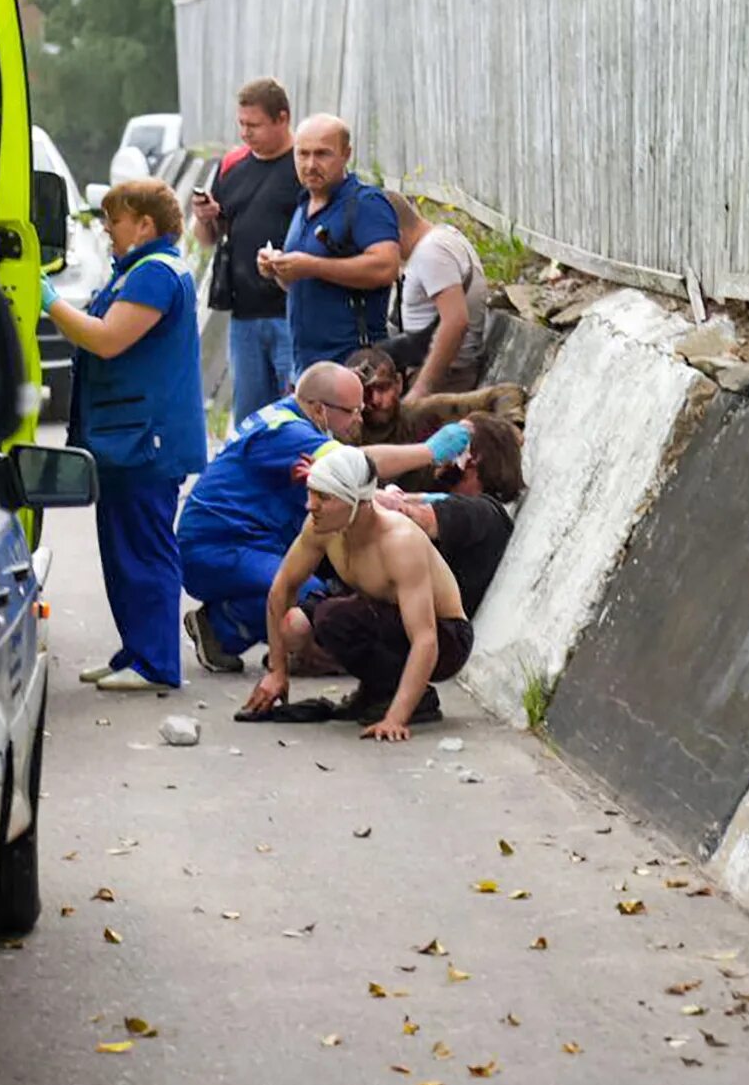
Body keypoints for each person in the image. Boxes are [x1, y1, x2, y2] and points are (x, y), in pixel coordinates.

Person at [178, 362, 472, 674]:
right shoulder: (287, 433)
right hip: (219, 547)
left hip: (246, 540)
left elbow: (355, 490)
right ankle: (224, 629)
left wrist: (421, 500)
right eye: (352, 411)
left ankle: (232, 627)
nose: (359, 418)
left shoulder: (288, 418)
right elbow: (358, 465)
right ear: (319, 409)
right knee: (310, 601)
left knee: (314, 590)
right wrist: (429, 452)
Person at [43, 178, 206, 691]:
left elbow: (108, 339)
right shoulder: (138, 271)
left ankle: (156, 663)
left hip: (145, 439)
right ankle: (135, 651)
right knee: (122, 549)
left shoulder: (154, 273)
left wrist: (48, 302)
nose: (109, 230)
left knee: (144, 549)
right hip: (126, 436)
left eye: (115, 220)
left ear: (144, 224)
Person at [244, 447, 473, 741]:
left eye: (324, 497)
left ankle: (412, 700)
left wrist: (396, 719)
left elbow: (426, 638)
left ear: (358, 502)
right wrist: (277, 671)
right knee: (296, 624)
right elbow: (282, 587)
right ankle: (377, 689)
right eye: (312, 493)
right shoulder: (321, 527)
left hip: (447, 640)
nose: (311, 506)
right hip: (384, 614)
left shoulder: (400, 542)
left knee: (336, 618)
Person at [192, 77, 302, 422]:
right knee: (250, 420)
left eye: (253, 125)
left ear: (282, 118)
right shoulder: (232, 166)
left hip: (292, 313)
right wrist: (204, 217)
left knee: (296, 416)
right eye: (241, 124)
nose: (245, 133)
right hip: (244, 316)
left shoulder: (305, 166)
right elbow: (209, 238)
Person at [256, 115, 399, 371]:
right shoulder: (304, 205)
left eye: (322, 154)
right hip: (306, 367)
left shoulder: (365, 202)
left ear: (346, 154)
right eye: (303, 154)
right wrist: (278, 269)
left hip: (355, 368)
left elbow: (385, 267)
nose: (310, 164)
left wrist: (312, 266)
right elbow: (302, 282)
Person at [372, 411, 524, 618]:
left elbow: (410, 514)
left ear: (474, 457)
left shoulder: (483, 512)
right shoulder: (463, 507)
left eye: (458, 438)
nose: (445, 441)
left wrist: (425, 453)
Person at [378, 190, 489, 395]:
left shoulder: (432, 252)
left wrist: (422, 389)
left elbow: (455, 322)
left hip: (446, 379)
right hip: (436, 373)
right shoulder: (436, 241)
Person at [346, 345, 526, 448]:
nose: (375, 400)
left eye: (383, 388)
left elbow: (506, 393)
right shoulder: (343, 433)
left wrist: (510, 427)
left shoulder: (421, 414)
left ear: (399, 384)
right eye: (366, 392)